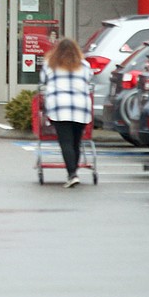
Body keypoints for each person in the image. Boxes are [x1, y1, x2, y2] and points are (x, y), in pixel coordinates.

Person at [40, 38, 93, 188]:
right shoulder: (84, 65)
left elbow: (43, 80)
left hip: (59, 106)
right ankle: (73, 171)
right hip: (81, 107)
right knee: (76, 142)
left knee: (66, 142)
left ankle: (72, 174)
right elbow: (89, 79)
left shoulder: (50, 65)